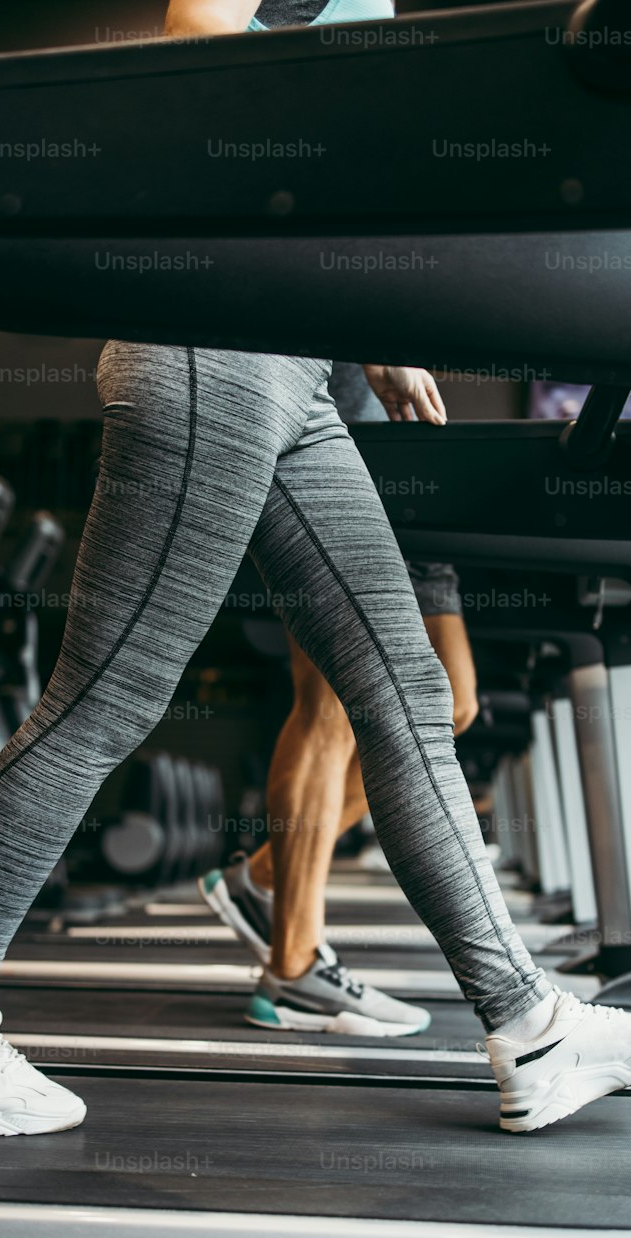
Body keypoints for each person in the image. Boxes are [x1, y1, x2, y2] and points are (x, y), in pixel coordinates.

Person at [0, 0, 631, 1139]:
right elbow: (202, 45)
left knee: (405, 690)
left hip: (294, 360)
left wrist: (363, 326)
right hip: (211, 337)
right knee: (106, 696)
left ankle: (530, 1027)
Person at [201, 360, 479, 1036]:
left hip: (411, 462)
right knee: (328, 705)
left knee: (450, 704)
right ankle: (293, 966)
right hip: (342, 444)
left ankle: (266, 875)